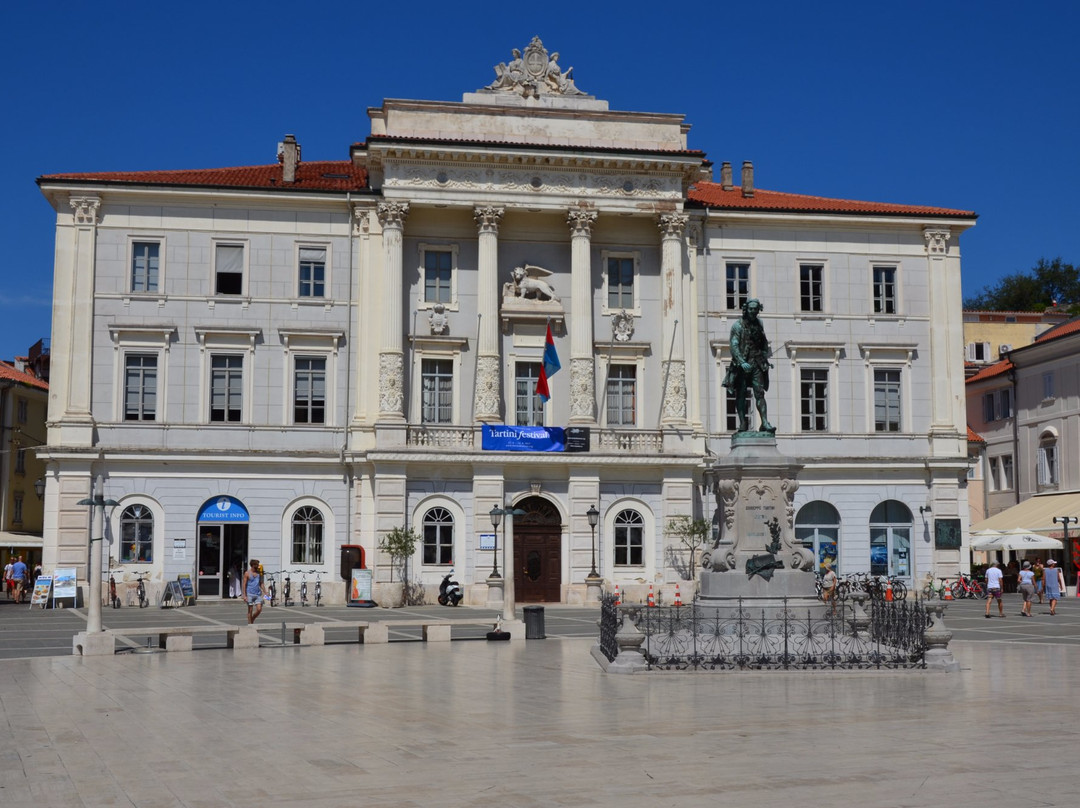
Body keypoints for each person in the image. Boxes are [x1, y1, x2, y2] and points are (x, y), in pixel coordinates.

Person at [723, 298, 775, 433]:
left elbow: (763, 342)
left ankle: (764, 423)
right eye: (751, 309)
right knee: (740, 394)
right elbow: (733, 345)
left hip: (757, 364)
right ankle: (742, 424)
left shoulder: (759, 324)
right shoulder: (737, 326)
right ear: (746, 309)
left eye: (755, 309)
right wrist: (741, 362)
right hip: (742, 366)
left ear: (758, 310)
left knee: (760, 393)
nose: (753, 312)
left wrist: (765, 356)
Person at [242, 559, 267, 624]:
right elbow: (244, 584)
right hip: (249, 594)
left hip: (257, 594)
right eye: (256, 565)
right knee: (250, 610)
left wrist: (265, 592)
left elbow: (261, 583)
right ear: (252, 565)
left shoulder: (259, 573)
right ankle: (250, 624)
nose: (258, 566)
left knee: (259, 609)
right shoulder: (247, 573)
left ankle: (252, 619)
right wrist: (244, 595)